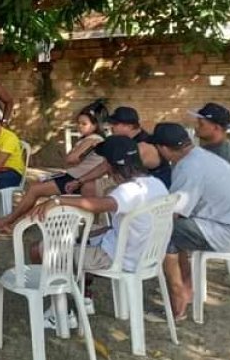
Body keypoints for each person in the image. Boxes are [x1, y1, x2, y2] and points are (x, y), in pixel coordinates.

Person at [28, 135, 170, 325]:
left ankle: (60, 313)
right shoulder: (156, 184)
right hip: (142, 252)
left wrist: (57, 199)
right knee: (81, 233)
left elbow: (97, 204)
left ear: (111, 166)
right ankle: (84, 296)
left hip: (116, 257)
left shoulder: (128, 190)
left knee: (40, 250)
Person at [150, 123, 230, 321]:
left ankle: (178, 301)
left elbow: (174, 213)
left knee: (164, 230)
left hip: (229, 234)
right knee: (175, 231)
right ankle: (188, 286)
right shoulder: (201, 156)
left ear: (162, 149)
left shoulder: (188, 167)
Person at [0, 107, 106, 236]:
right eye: (78, 123)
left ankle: (12, 223)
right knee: (35, 186)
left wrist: (72, 156)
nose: (80, 126)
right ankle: (14, 222)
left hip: (78, 181)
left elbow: (70, 158)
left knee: (36, 190)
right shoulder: (89, 139)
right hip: (73, 176)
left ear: (95, 125)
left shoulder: (93, 140)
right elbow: (71, 160)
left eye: (84, 124)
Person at [64, 106, 172, 192]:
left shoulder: (143, 145)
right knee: (88, 187)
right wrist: (80, 180)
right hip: (132, 180)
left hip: (151, 186)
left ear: (129, 126)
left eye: (115, 124)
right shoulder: (123, 141)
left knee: (92, 189)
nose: (111, 127)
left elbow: (116, 170)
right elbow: (107, 165)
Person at [189, 102, 230, 171]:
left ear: (216, 128)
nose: (196, 127)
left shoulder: (224, 156)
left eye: (201, 124)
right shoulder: (210, 149)